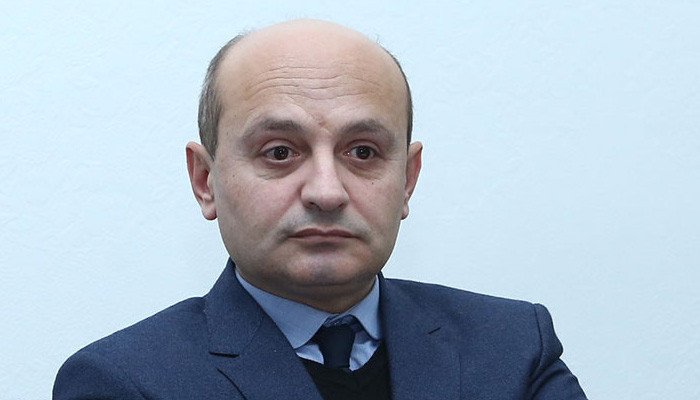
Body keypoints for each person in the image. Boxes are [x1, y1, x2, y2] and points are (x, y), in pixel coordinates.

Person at [53, 19, 587, 399]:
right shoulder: (122, 381)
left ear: (407, 180)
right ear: (205, 180)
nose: (327, 192)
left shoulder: (514, 347)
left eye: (363, 153)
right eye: (279, 153)